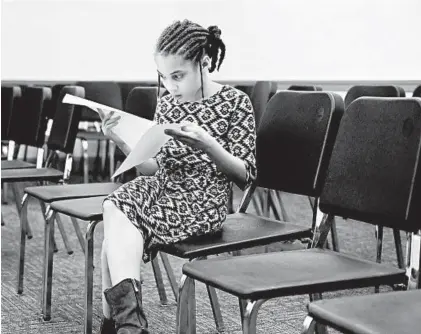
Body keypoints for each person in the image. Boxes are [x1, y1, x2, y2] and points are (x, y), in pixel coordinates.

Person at [98, 19, 257, 334]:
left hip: (203, 201)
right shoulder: (169, 103)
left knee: (114, 230)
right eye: (164, 77)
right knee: (115, 206)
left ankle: (119, 324)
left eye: (178, 76)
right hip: (162, 188)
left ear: (205, 63)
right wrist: (119, 139)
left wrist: (207, 144)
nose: (170, 87)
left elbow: (246, 177)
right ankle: (128, 325)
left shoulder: (236, 103)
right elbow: (154, 166)